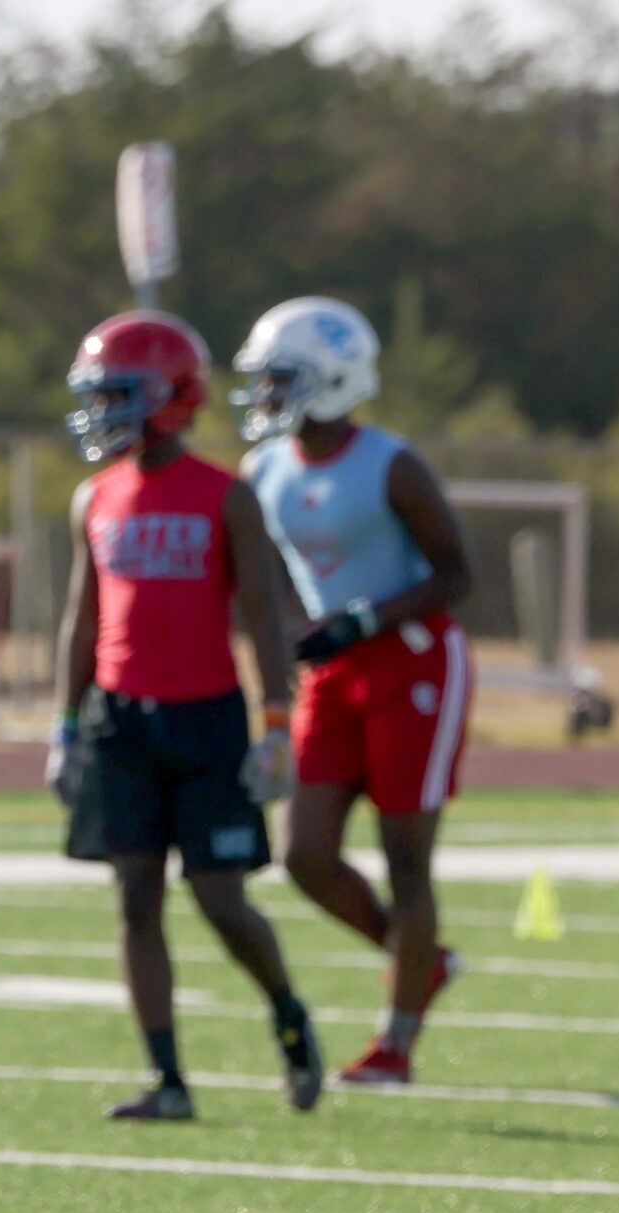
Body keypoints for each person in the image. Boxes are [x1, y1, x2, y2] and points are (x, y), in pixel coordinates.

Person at [48, 311, 323, 1123]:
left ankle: (288, 1012)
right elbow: (82, 619)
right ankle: (168, 1080)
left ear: (173, 395)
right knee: (135, 897)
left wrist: (277, 724)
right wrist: (64, 728)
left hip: (206, 720)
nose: (105, 411)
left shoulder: (227, 496)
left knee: (219, 897)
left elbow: (266, 618)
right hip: (121, 721)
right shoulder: (94, 495)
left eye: (119, 393)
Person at [235, 296, 474, 1085]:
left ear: (335, 380)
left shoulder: (391, 464)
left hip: (411, 663)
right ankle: (419, 961)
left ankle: (396, 1043)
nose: (268, 396)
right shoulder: (264, 468)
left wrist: (365, 618)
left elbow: (455, 574)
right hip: (331, 673)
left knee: (407, 860)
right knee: (304, 855)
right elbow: (263, 582)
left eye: (283, 379)